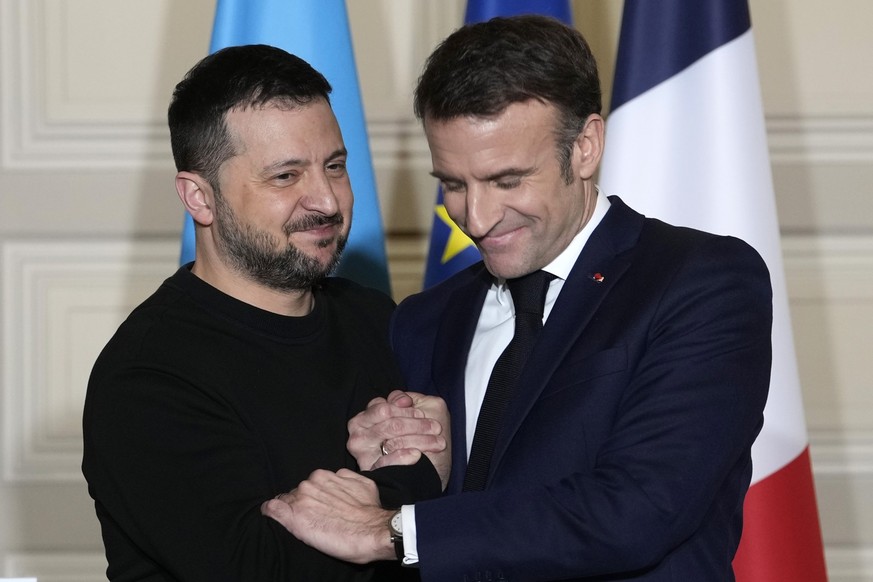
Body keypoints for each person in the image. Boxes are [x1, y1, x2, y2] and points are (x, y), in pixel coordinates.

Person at [262, 15, 773, 582]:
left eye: (506, 180)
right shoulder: (424, 320)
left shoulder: (700, 282)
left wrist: (391, 530)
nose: (475, 219)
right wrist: (392, 458)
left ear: (585, 146)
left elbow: (638, 510)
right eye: (453, 184)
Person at [81, 44, 445, 581]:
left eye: (335, 166)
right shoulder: (148, 378)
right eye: (285, 176)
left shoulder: (373, 317)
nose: (326, 199)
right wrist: (416, 479)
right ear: (199, 198)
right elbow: (259, 568)